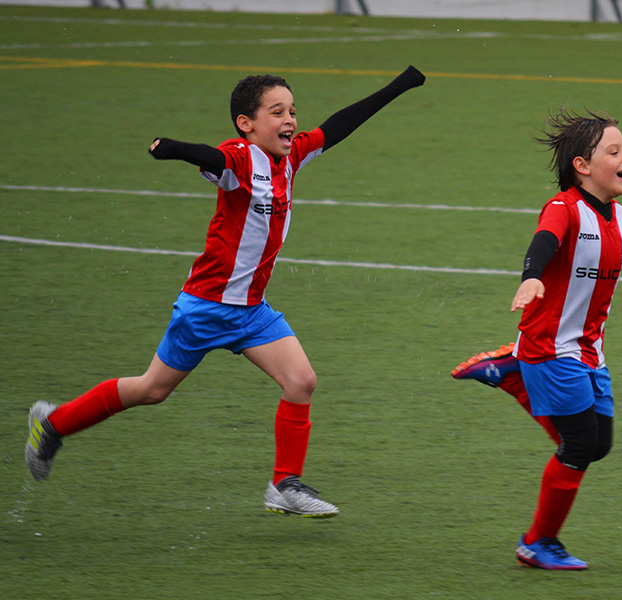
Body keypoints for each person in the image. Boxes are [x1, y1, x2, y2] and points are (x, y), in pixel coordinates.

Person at [25, 66, 426, 519]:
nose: (290, 121)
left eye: (293, 111)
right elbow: (214, 159)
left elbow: (337, 126)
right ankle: (53, 423)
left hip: (252, 311)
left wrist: (398, 86)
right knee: (152, 390)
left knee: (301, 381)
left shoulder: (291, 157)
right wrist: (176, 149)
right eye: (277, 112)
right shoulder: (240, 158)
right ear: (246, 124)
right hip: (206, 308)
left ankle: (285, 485)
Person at [452, 108, 622, 569]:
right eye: (614, 151)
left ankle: (511, 372)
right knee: (577, 447)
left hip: (590, 351)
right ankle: (538, 543)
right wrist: (532, 276)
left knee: (598, 445)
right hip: (549, 347)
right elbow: (544, 242)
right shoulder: (564, 208)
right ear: (583, 166)